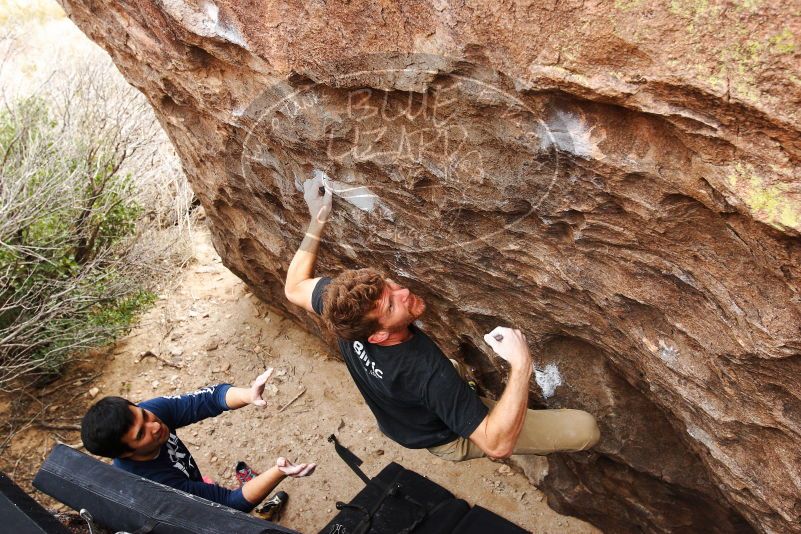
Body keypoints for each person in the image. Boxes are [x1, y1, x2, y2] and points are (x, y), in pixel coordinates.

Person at [284, 174, 600, 461]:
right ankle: (472, 413)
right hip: (444, 435)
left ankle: (465, 400)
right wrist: (521, 366)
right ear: (377, 336)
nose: (403, 293)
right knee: (585, 428)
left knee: (452, 374)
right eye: (391, 307)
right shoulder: (426, 373)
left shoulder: (342, 311)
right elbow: (496, 445)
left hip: (402, 414)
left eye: (388, 286)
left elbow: (294, 287)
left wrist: (318, 218)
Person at [80, 369, 316, 513]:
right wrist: (280, 471)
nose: (155, 425)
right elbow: (229, 504)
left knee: (198, 486)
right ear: (125, 454)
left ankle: (197, 485)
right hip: (176, 515)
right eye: (141, 435)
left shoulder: (148, 414)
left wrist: (247, 394)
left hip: (180, 481)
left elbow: (209, 399)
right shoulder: (153, 485)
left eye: (143, 415)